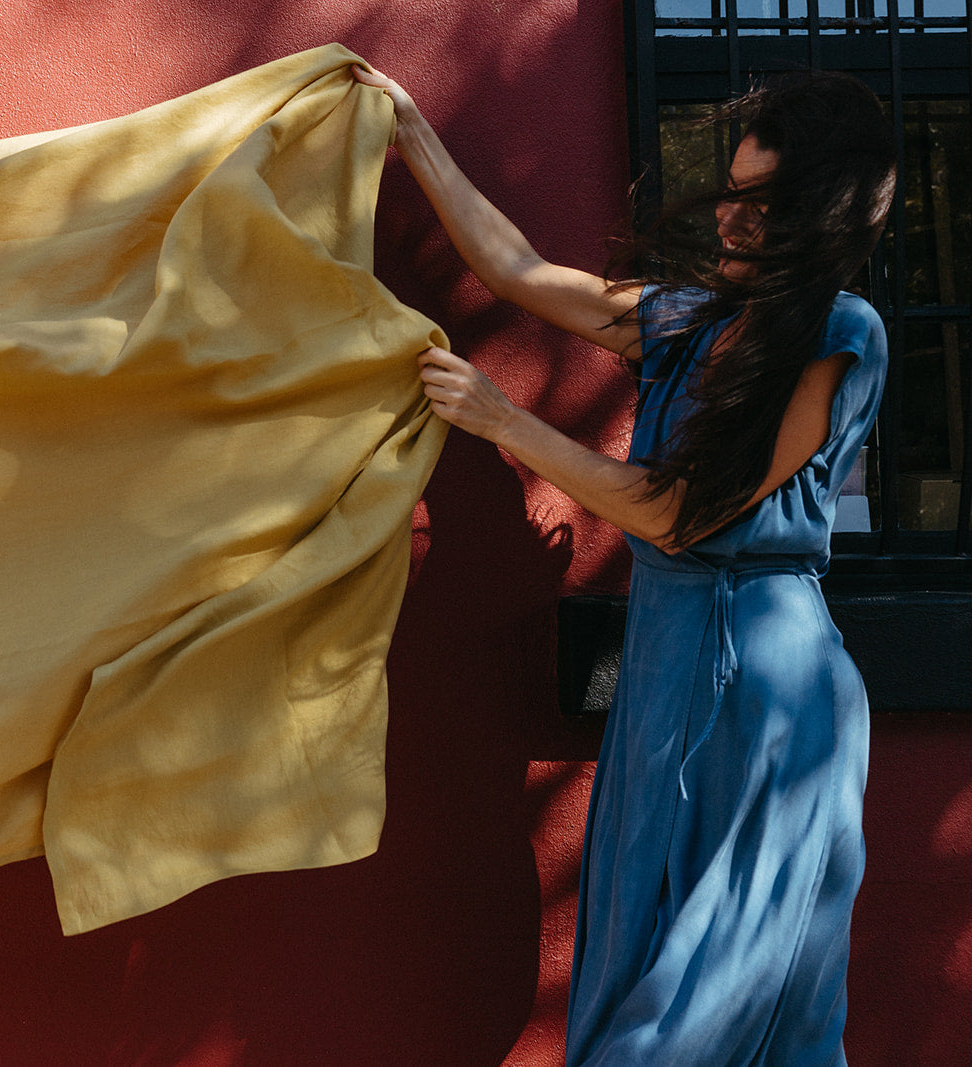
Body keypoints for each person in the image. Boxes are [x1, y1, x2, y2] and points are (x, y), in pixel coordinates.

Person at [353, 63, 897, 1063]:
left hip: (766, 696)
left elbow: (684, 516)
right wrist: (411, 127)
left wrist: (503, 418)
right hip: (666, 670)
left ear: (817, 212)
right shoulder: (691, 320)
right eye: (731, 189)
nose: (732, 216)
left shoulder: (837, 334)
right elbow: (518, 271)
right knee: (637, 962)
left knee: (711, 1001)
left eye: (761, 200)